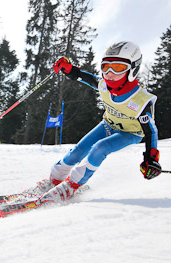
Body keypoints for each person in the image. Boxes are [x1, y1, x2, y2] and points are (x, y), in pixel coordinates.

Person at [28, 41, 162, 202]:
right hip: (108, 125)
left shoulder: (141, 101)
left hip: (130, 133)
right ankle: (55, 180)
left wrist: (151, 158)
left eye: (118, 67)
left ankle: (72, 186)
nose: (110, 73)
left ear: (133, 69)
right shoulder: (105, 85)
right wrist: (70, 70)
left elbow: (151, 131)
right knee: (78, 151)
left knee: (100, 148)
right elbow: (89, 79)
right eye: (106, 67)